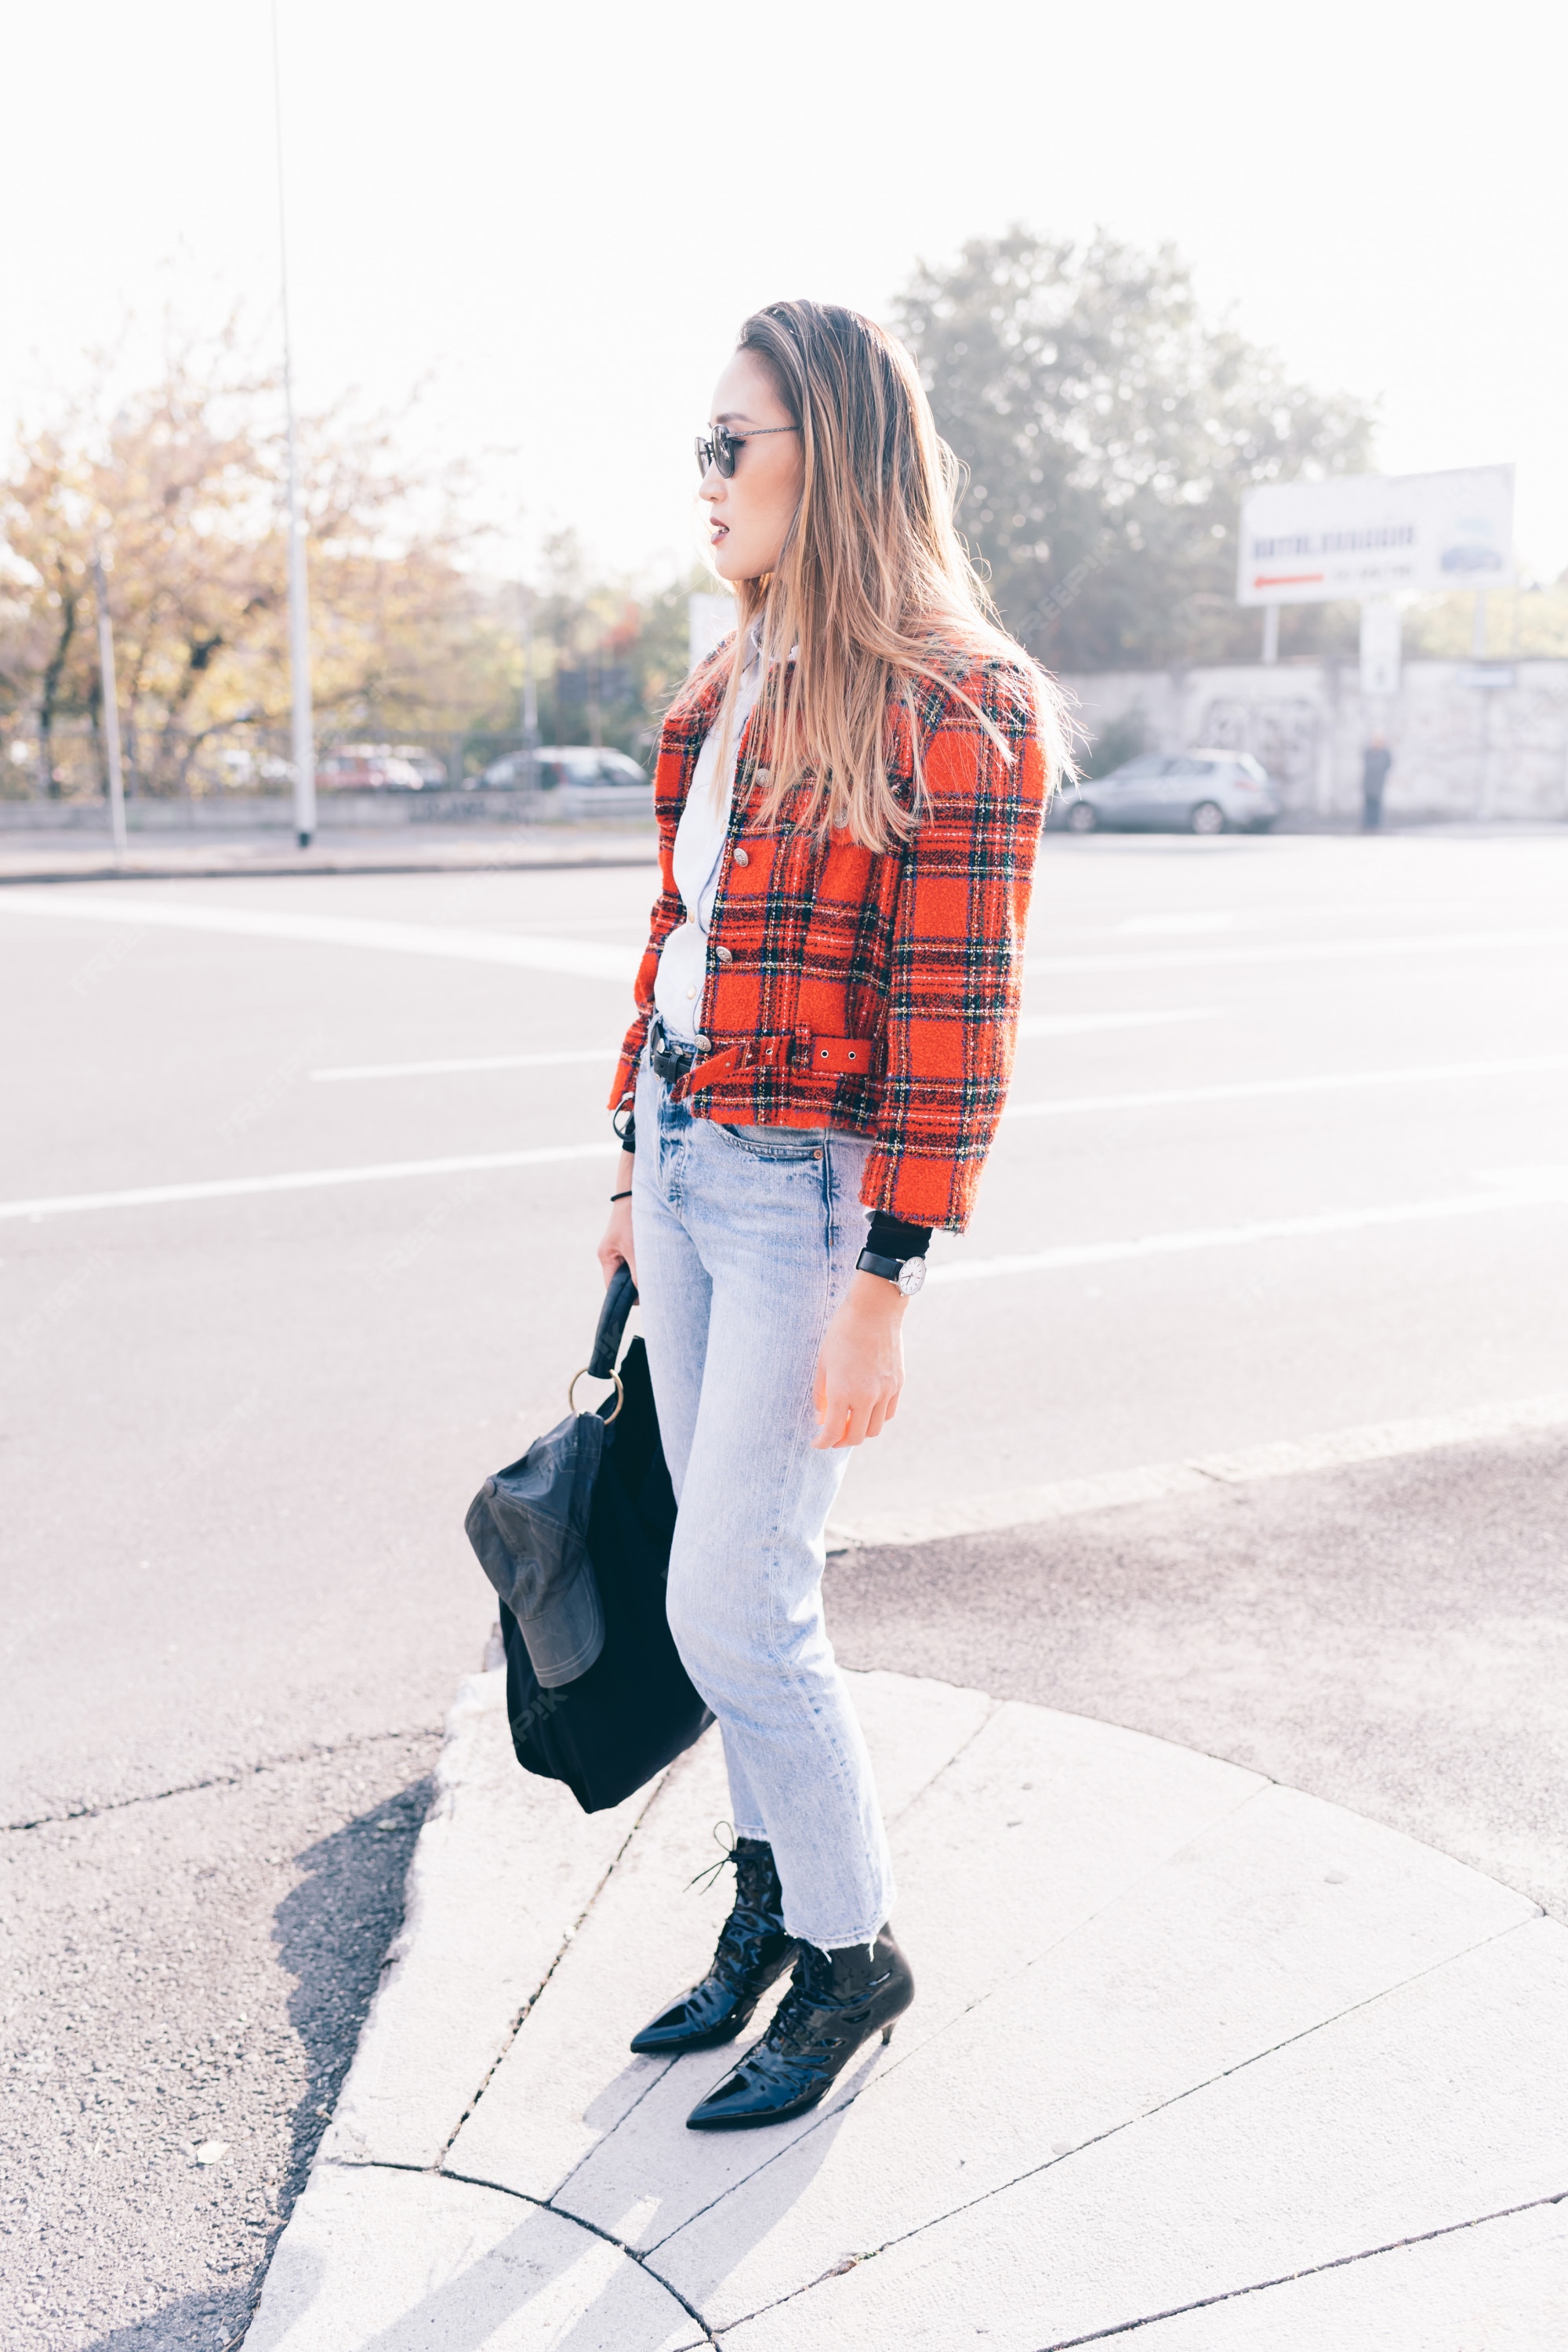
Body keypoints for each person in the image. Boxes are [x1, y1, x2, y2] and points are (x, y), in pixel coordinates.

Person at [596, 299, 1071, 2132]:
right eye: (699, 445)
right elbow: (672, 943)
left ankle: (851, 1947)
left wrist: (888, 1273)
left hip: (812, 1199)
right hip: (694, 1153)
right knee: (713, 1591)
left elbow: (957, 1016)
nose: (703, 479)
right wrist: (630, 1176)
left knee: (736, 1594)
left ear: (835, 455)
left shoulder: (963, 698)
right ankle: (771, 1913)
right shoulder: (725, 686)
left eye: (733, 442)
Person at [1362, 733, 1392, 829]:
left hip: (1378, 782)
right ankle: (1368, 824)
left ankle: (1376, 824)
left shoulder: (1384, 753)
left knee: (1377, 804)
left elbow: (1388, 764)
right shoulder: (1369, 752)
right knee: (1368, 804)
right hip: (1368, 782)